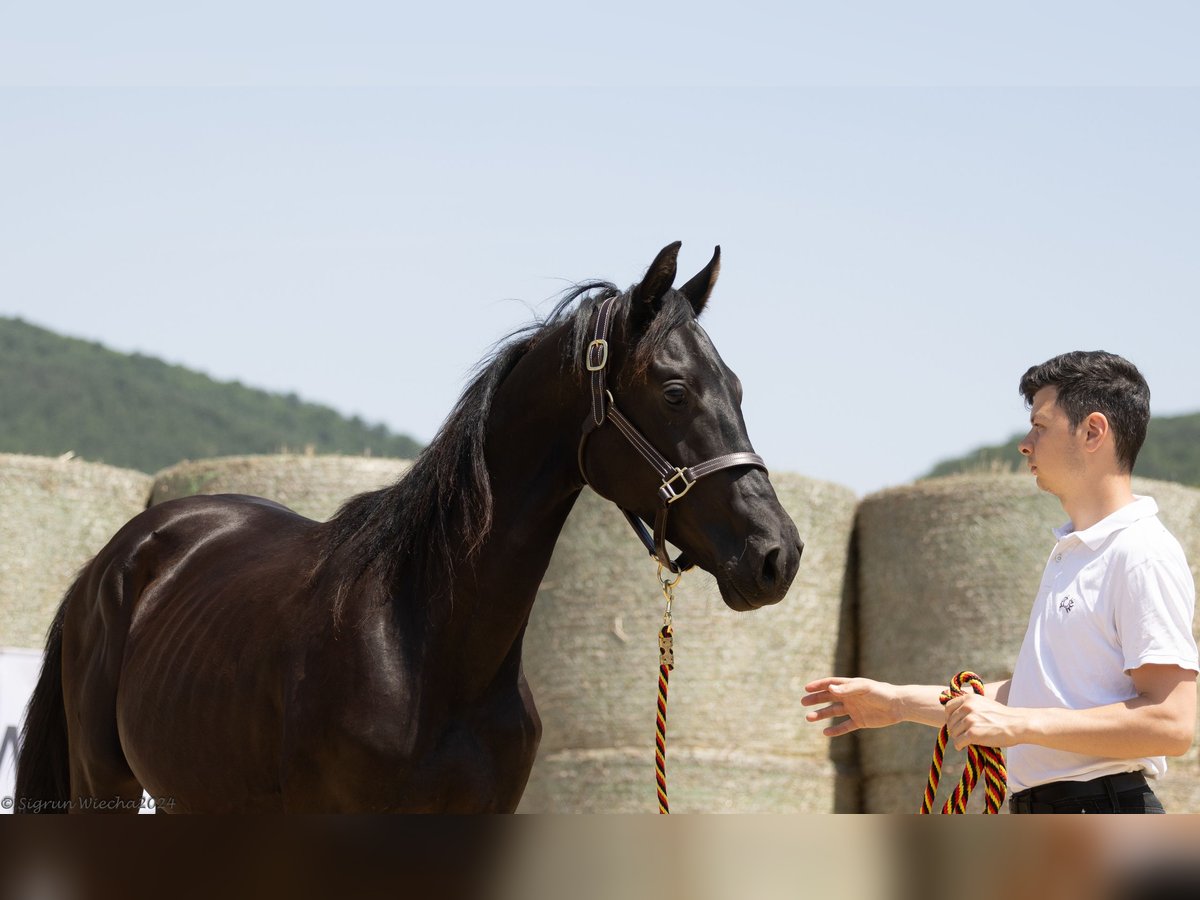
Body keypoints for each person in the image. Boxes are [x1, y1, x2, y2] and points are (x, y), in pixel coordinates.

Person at [803, 351, 1199, 813]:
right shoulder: (1075, 555)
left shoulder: (1139, 552)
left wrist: (1019, 724)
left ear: (1092, 431)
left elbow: (1171, 722)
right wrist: (897, 704)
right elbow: (1034, 697)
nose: (1025, 444)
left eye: (1041, 426)